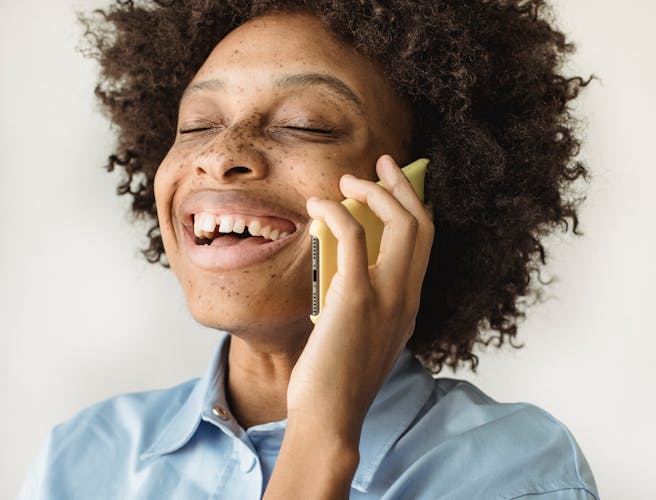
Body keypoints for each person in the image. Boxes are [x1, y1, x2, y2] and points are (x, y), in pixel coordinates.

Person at [19, 1, 598, 498]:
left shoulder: (517, 474)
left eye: (308, 125)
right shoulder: (81, 460)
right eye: (197, 124)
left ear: (420, 192)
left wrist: (323, 431)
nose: (221, 155)